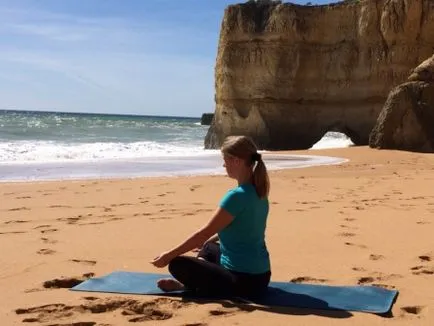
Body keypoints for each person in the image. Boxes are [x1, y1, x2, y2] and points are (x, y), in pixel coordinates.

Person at [150, 135, 271, 299]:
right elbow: (240, 228)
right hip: (262, 277)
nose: (223, 165)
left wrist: (168, 255)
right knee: (208, 247)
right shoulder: (260, 192)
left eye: (225, 160)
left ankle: (188, 285)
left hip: (241, 281)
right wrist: (207, 241)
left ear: (236, 161)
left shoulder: (236, 196)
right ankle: (198, 280)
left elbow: (203, 233)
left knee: (177, 264)